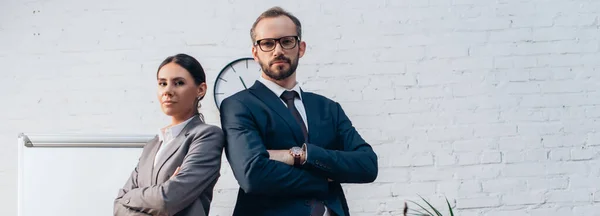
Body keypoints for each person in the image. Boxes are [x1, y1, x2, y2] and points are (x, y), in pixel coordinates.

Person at [219, 6, 378, 216]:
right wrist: (325, 178)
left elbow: (367, 165)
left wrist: (302, 156)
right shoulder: (238, 105)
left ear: (300, 48)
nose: (278, 51)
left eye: (286, 41)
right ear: (255, 53)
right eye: (267, 43)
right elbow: (253, 175)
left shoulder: (328, 108)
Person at [114, 53, 225, 216]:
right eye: (162, 83)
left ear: (200, 89)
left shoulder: (207, 136)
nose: (167, 91)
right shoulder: (152, 145)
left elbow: (167, 199)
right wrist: (156, 194)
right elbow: (118, 205)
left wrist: (130, 197)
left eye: (178, 83)